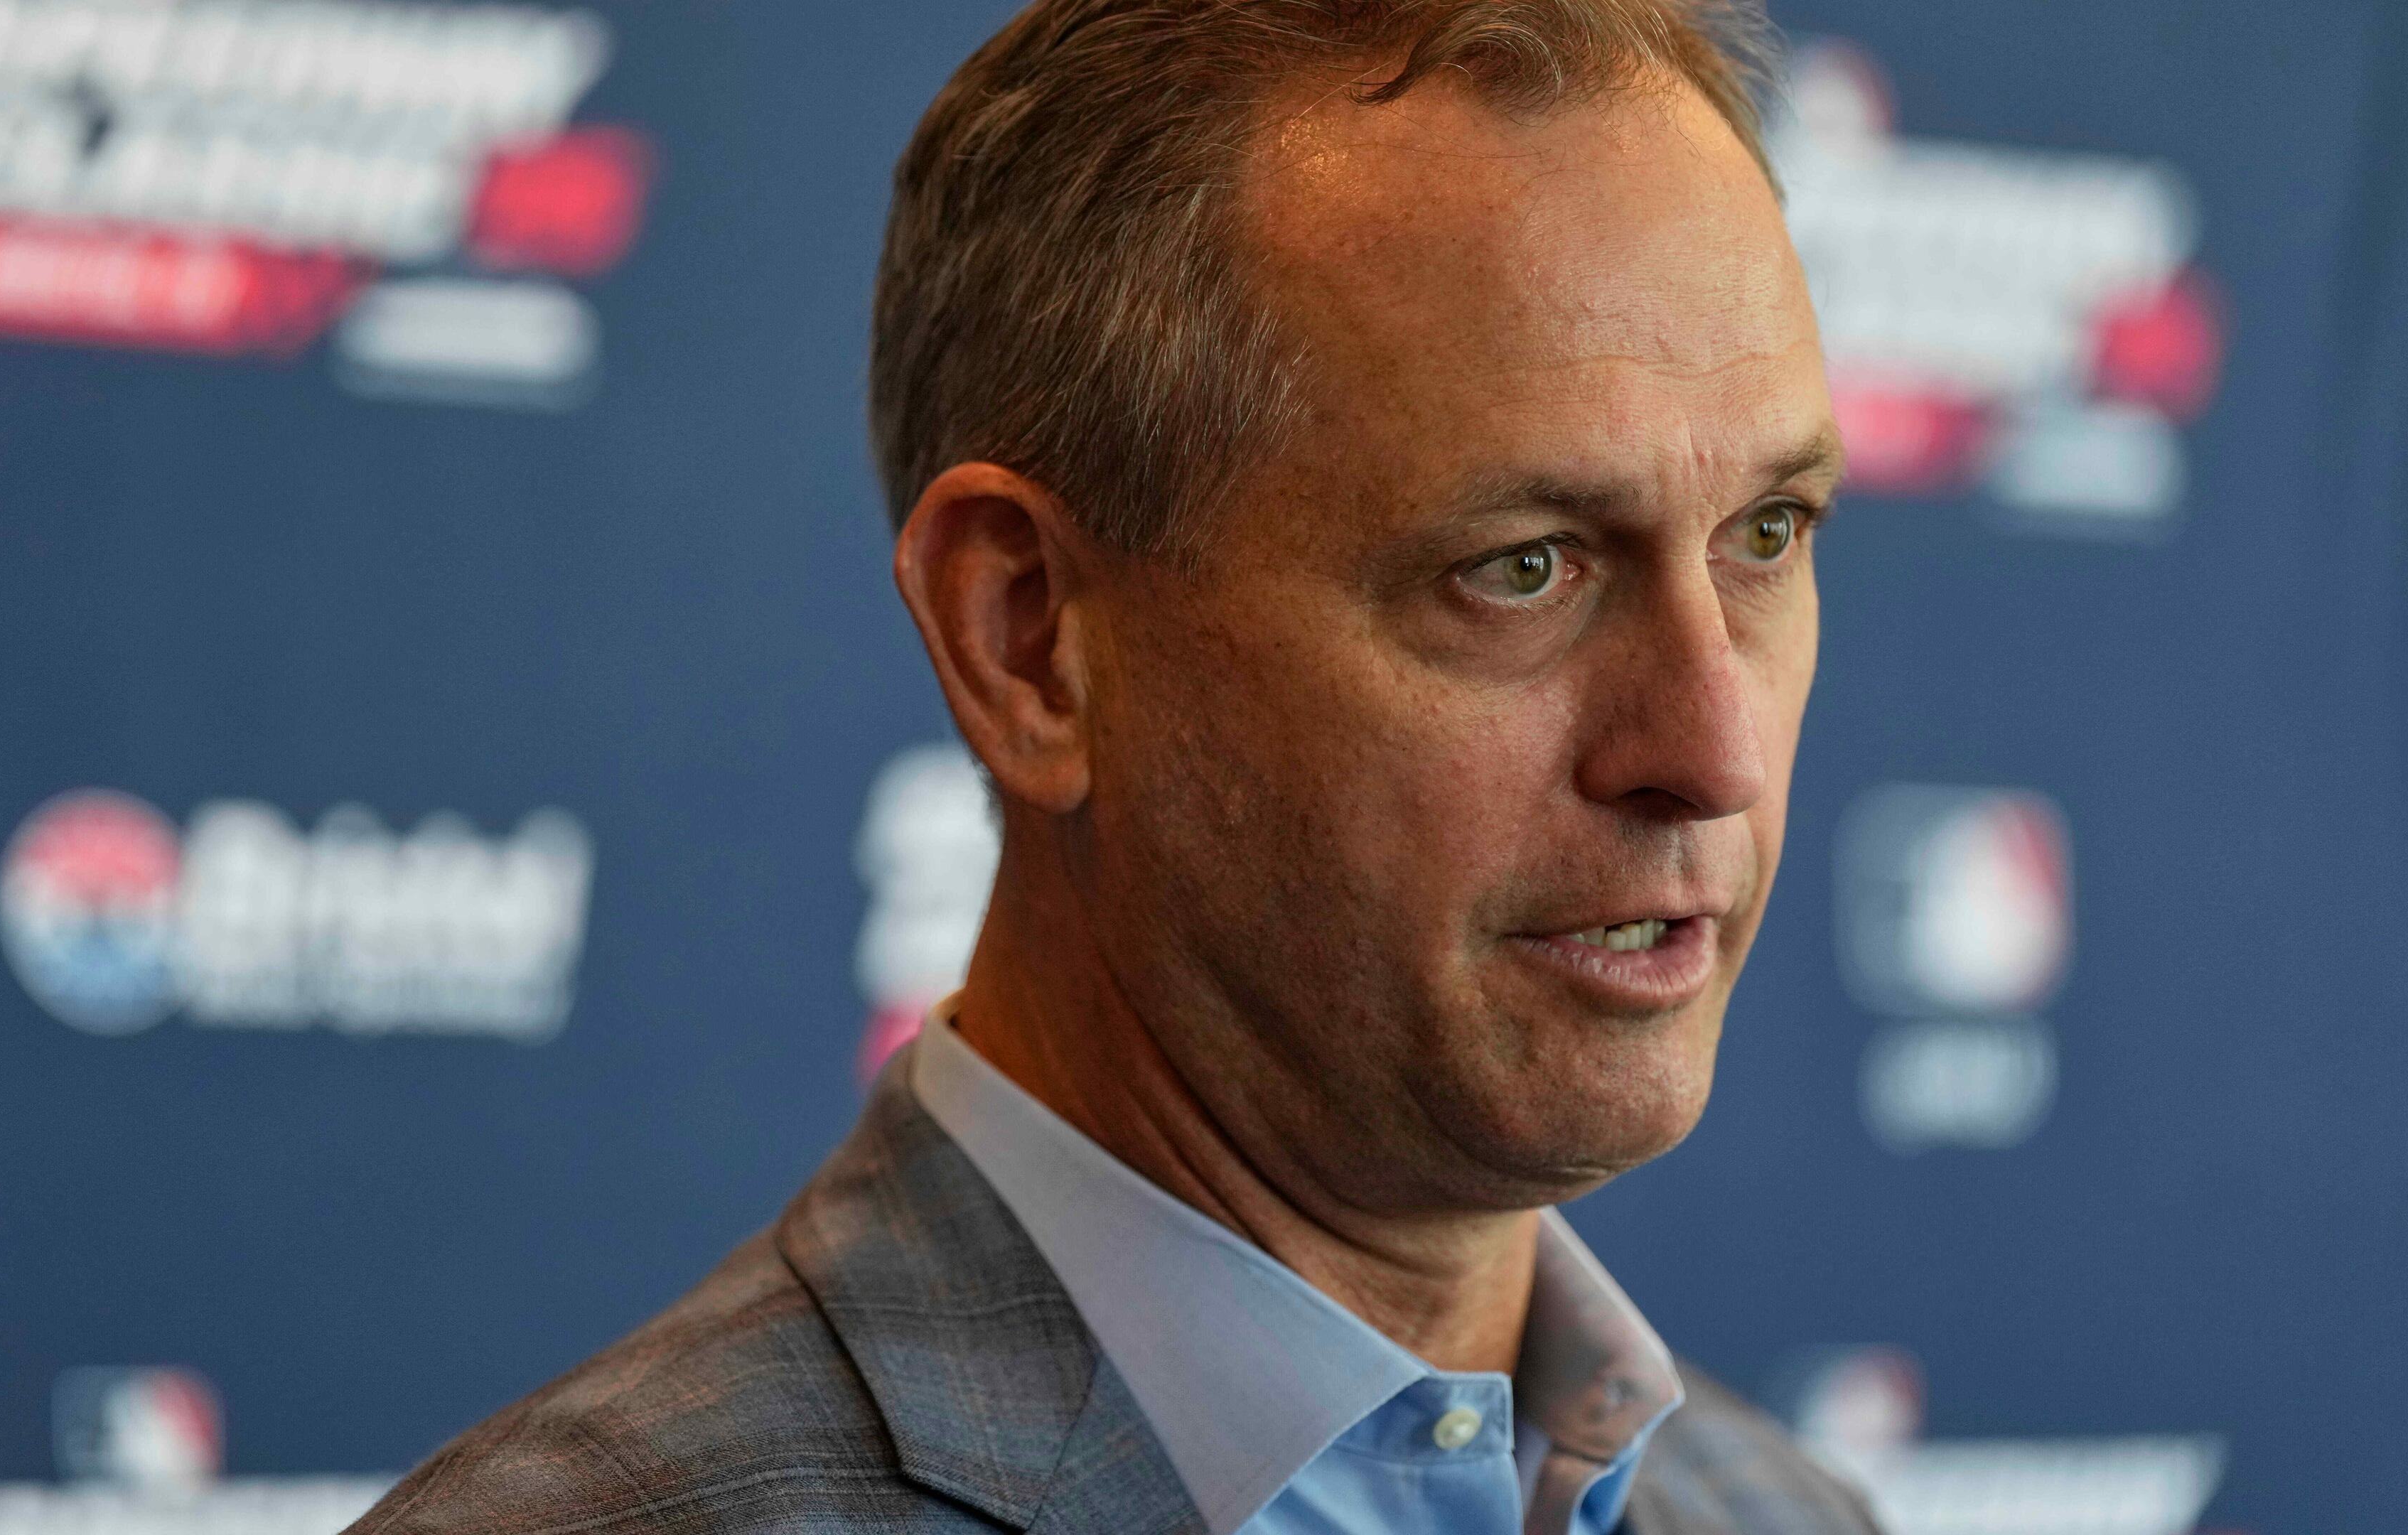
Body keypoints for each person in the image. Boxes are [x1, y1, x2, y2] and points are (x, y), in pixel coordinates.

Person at [348, 0, 1870, 1531]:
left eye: (1767, 535)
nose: (1714, 750)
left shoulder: (1789, 1513)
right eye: (1523, 567)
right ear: (1028, 641)